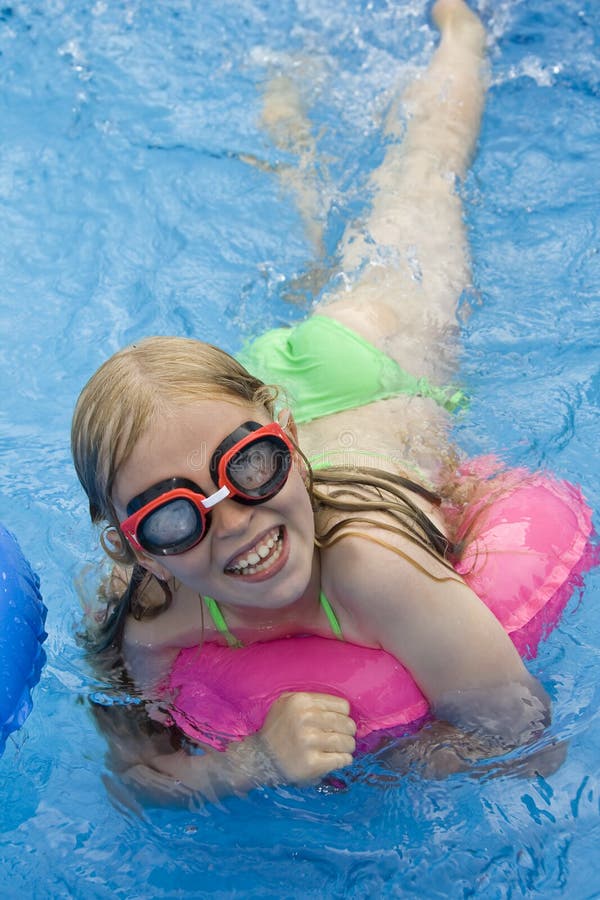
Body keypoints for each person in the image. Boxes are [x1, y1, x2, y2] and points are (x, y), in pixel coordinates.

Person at [72, 0, 553, 804]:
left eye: (249, 471)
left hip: (377, 356)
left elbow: (524, 737)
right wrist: (248, 764)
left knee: (421, 178)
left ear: (282, 434)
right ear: (134, 548)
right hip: (221, 406)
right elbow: (132, 780)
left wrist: (375, 768)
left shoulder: (371, 570)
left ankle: (460, 32)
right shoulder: (150, 619)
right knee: (319, 238)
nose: (234, 522)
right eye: (172, 518)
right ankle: (288, 110)